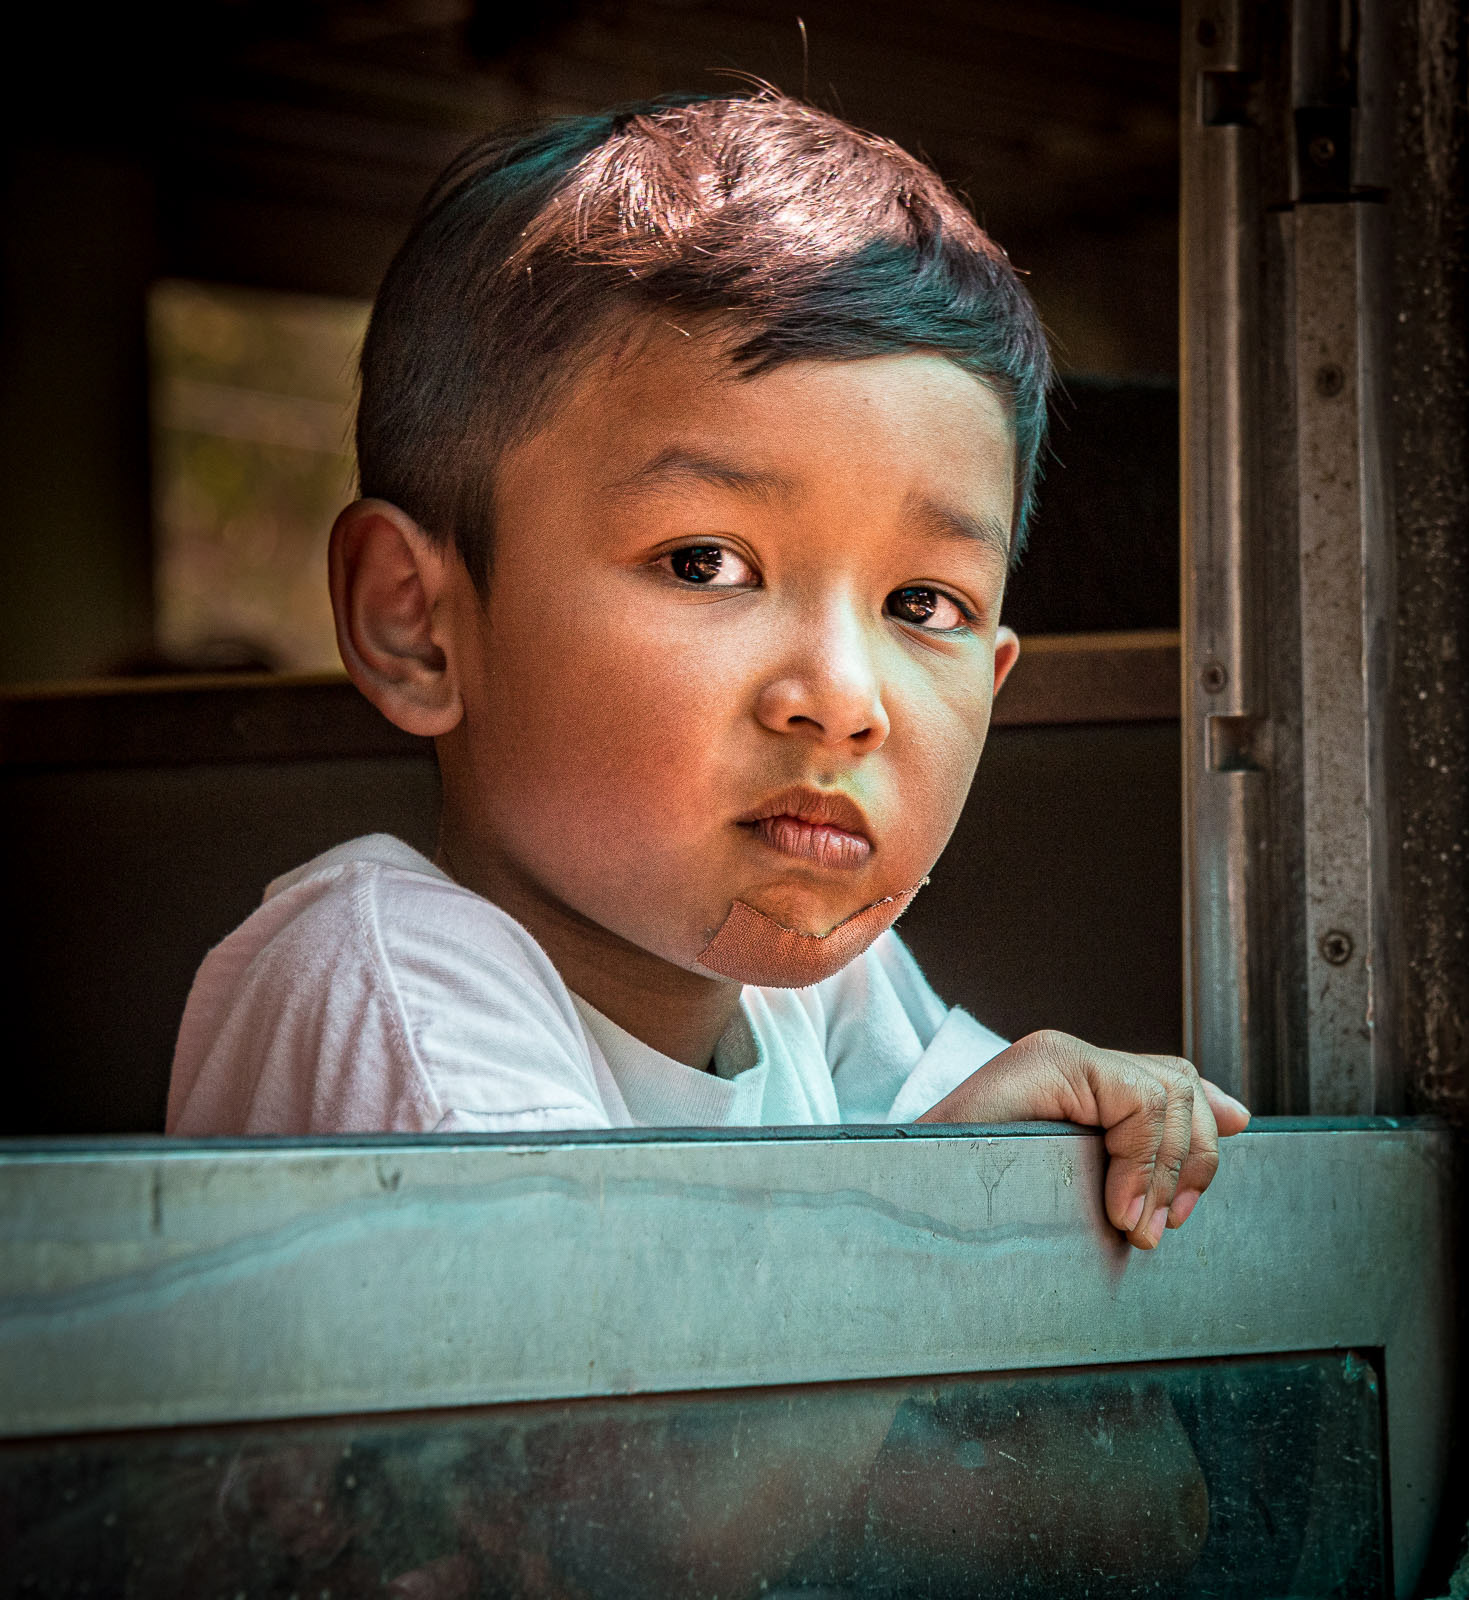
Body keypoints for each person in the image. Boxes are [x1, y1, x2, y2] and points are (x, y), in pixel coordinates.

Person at [168, 91, 1248, 1251]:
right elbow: (601, 1376)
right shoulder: (389, 978)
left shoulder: (817, 985)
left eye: (920, 604)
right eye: (705, 563)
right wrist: (935, 1214)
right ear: (418, 623)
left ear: (994, 674)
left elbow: (1001, 1129)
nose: (843, 700)